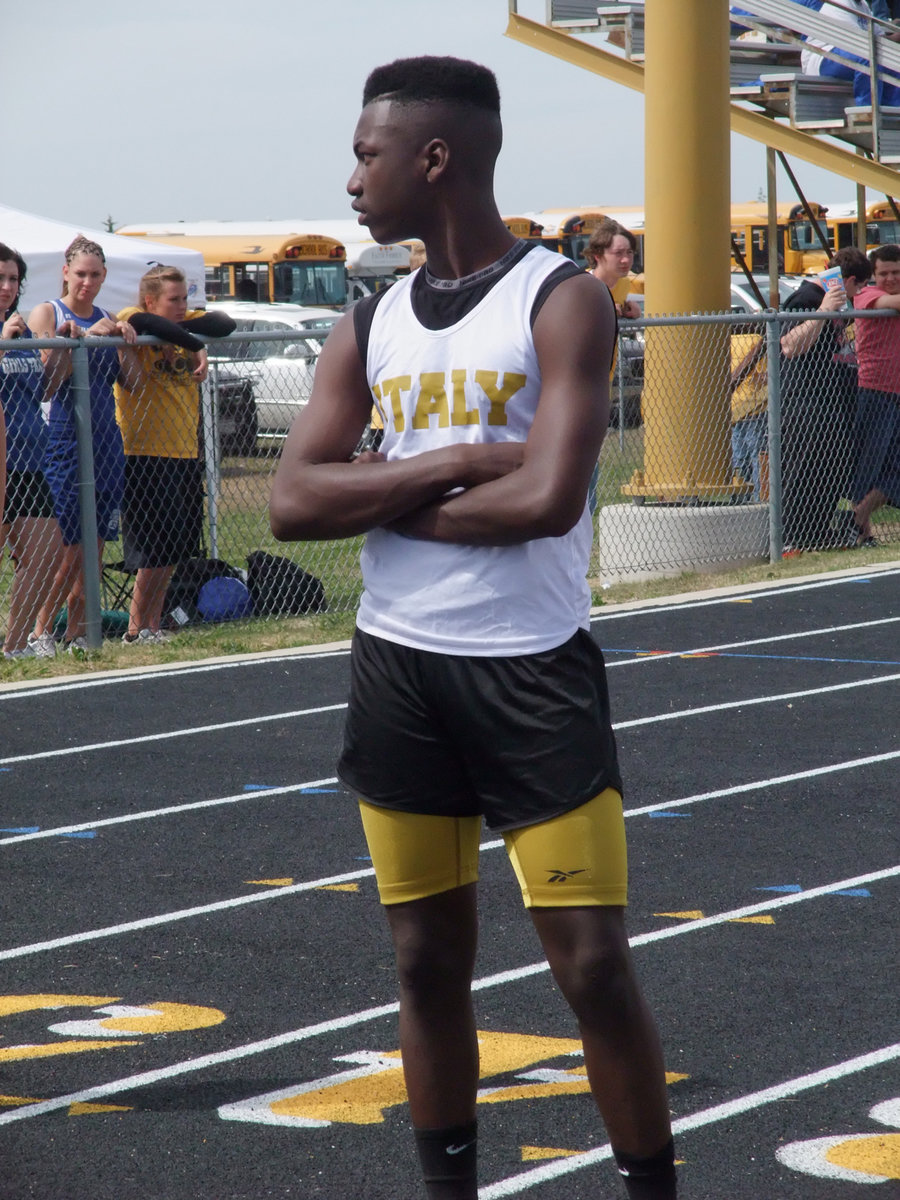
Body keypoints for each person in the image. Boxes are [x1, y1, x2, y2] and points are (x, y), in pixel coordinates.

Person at [270, 56, 676, 1200]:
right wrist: (451, 465)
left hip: (530, 675)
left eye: (366, 154)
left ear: (433, 159)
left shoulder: (562, 297)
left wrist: (388, 494)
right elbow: (296, 503)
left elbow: (547, 498)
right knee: (423, 962)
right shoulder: (371, 318)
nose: (353, 178)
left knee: (594, 970)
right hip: (399, 672)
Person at [114, 265, 236, 643]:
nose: (183, 306)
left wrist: (188, 332)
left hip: (184, 451)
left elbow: (225, 322)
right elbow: (141, 319)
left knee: (172, 548)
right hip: (144, 451)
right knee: (151, 550)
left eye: (185, 298)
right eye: (174, 300)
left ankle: (153, 623)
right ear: (151, 300)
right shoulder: (132, 320)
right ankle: (136, 629)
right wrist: (194, 344)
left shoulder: (185, 326)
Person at [27, 236, 135, 654]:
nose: (87, 282)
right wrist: (81, 339)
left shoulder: (108, 316)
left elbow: (133, 385)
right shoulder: (48, 312)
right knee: (67, 548)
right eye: (80, 274)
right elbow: (46, 385)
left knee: (93, 550)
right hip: (63, 441)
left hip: (106, 441)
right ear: (65, 273)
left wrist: (126, 340)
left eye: (95, 274)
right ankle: (40, 631)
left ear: (105, 276)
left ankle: (77, 634)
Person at [0, 244, 72, 659]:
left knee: (45, 556)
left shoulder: (21, 331)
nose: (8, 287)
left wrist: (61, 350)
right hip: (1, 463)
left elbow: (41, 389)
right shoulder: (9, 334)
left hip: (31, 461)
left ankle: (13, 646)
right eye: (0, 279)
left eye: (13, 279)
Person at [778, 246, 871, 550]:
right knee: (803, 468)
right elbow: (790, 345)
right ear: (849, 281)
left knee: (831, 466)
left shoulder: (835, 304)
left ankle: (817, 529)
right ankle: (792, 537)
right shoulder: (806, 299)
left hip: (830, 399)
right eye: (859, 288)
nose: (858, 295)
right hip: (804, 398)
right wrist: (823, 311)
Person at [847, 243, 900, 542]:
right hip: (875, 392)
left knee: (894, 468)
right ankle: (859, 529)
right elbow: (888, 304)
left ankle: (857, 519)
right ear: (873, 274)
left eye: (896, 272)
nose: (890, 278)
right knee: (869, 468)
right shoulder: (867, 294)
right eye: (884, 273)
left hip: (897, 393)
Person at [585, 218, 641, 319]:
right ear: (597, 255)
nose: (626, 260)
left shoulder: (624, 283)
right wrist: (606, 310)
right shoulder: (583, 285)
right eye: (618, 253)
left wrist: (629, 311)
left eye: (630, 252)